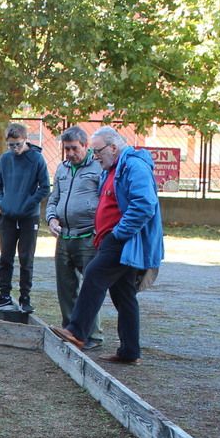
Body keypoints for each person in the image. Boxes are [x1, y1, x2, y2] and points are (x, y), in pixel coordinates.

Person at [60, 127, 165, 364]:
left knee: (95, 274)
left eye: (97, 151)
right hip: (112, 237)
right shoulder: (113, 168)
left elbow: (144, 204)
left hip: (122, 240)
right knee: (123, 294)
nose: (94, 156)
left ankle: (77, 332)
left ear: (113, 147)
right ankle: (130, 351)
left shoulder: (134, 167)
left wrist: (118, 233)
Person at [47, 126, 104, 345]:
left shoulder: (99, 168)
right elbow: (54, 199)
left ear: (85, 146)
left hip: (88, 235)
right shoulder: (62, 169)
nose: (70, 153)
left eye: (73, 148)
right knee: (65, 286)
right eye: (66, 149)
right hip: (64, 237)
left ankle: (92, 335)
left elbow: (105, 201)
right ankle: (70, 331)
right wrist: (51, 218)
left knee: (90, 286)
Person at [0, 123, 50, 312]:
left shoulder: (36, 159)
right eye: (11, 145)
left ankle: (25, 298)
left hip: (28, 217)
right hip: (7, 215)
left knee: (26, 258)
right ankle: (4, 295)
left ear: (25, 141)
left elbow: (45, 187)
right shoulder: (5, 159)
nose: (15, 149)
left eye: (18, 144)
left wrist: (29, 204)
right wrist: (1, 203)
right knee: (5, 257)